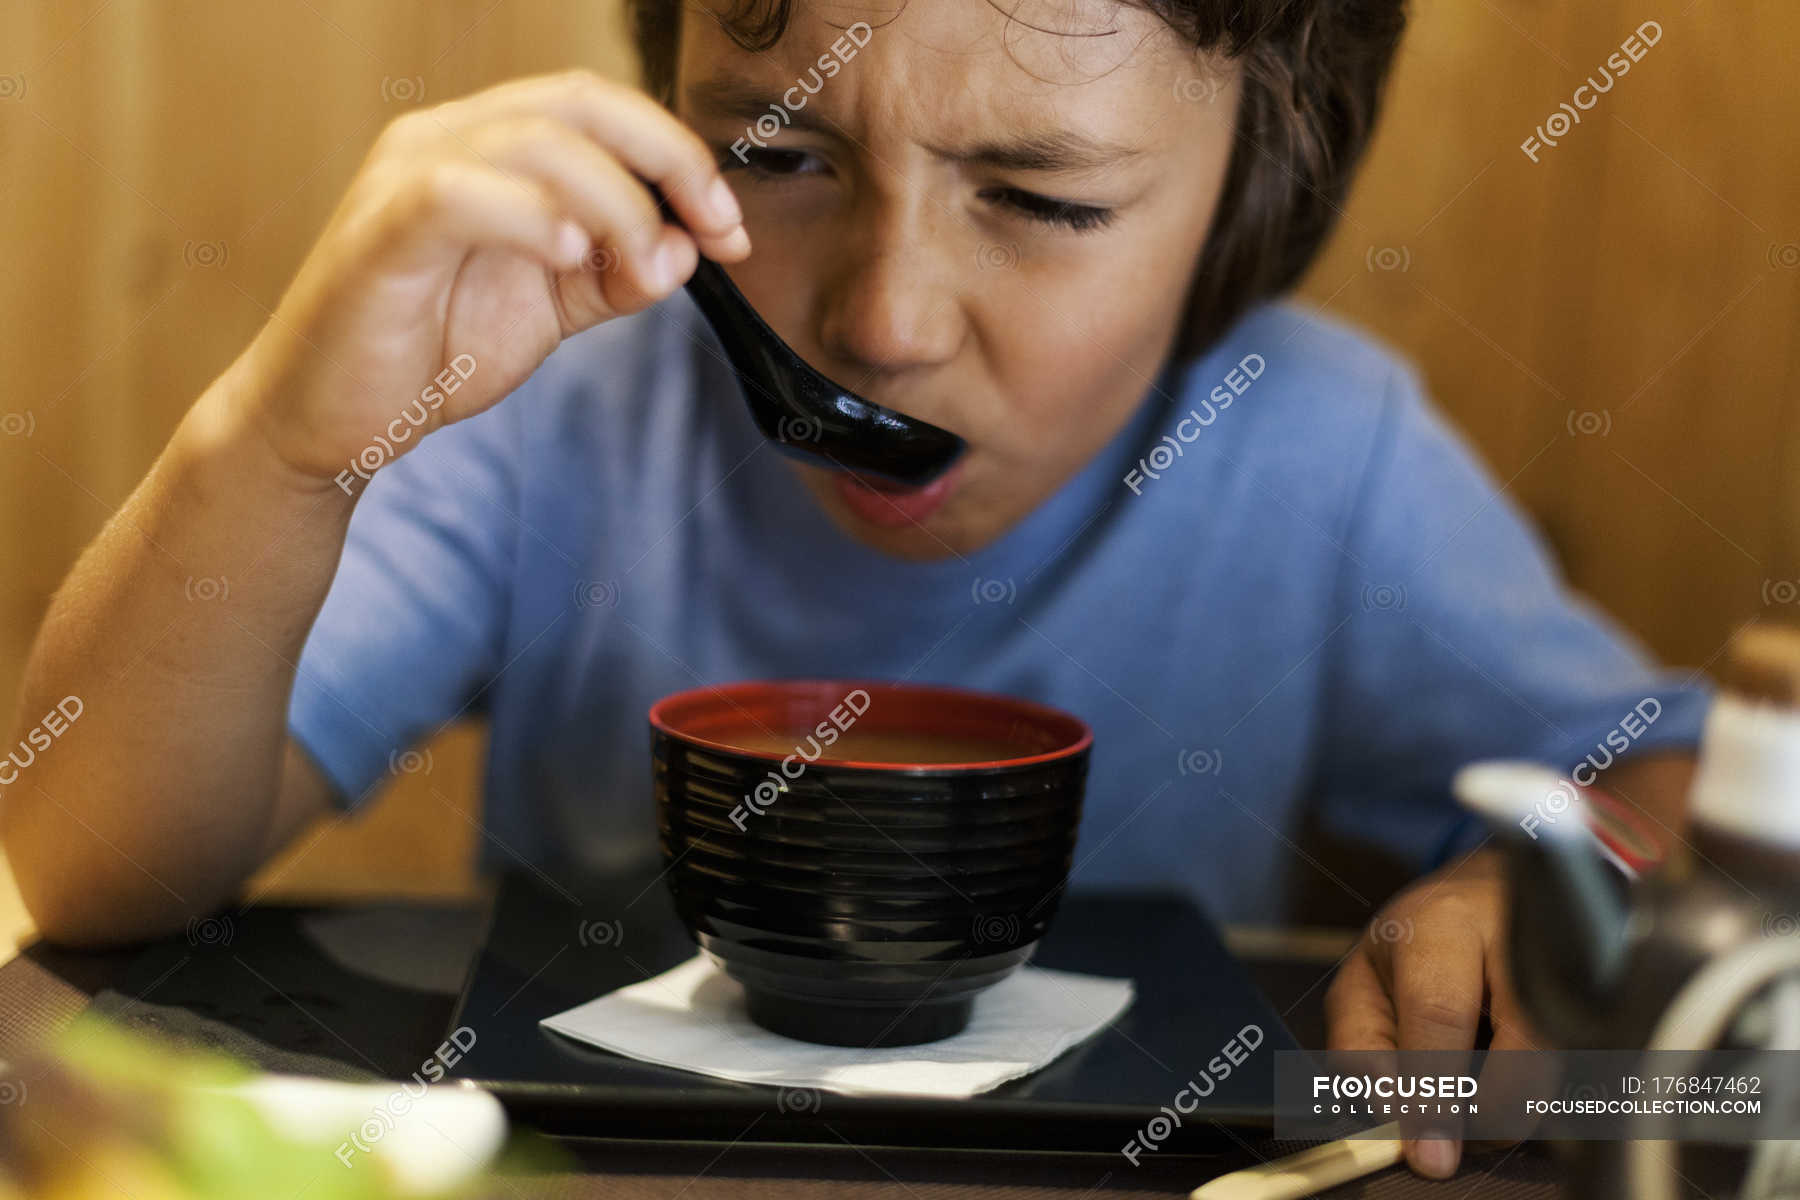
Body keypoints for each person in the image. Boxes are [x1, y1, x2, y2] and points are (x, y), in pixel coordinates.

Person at [2, 0, 1707, 1177]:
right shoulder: (549, 393)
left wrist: (1552, 886)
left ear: (1257, 197)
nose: (884, 322)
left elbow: (1677, 778)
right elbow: (80, 865)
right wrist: (283, 447)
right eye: (782, 155)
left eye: (1041, 198)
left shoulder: (1319, 451)